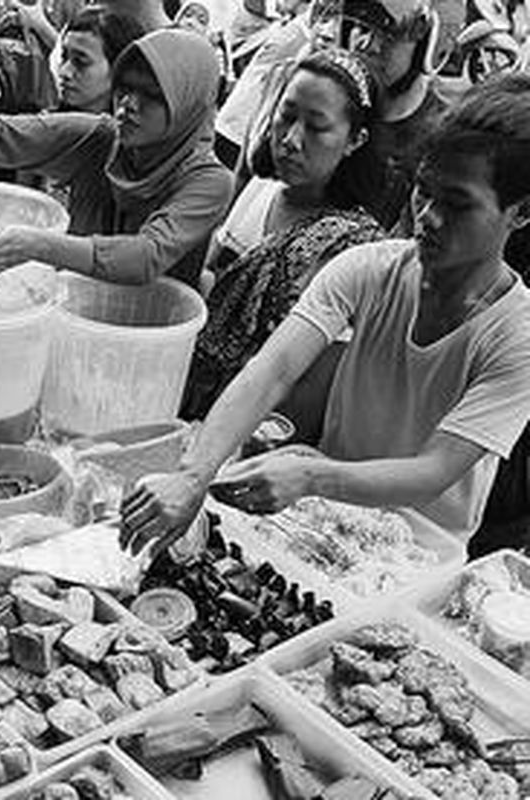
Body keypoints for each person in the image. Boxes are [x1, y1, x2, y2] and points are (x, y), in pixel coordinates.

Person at [120, 73, 530, 556]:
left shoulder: (516, 336)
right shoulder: (368, 269)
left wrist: (311, 474)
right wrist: (193, 475)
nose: (428, 217)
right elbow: (272, 371)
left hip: (418, 554)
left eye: (458, 204)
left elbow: (434, 470)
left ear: (520, 213)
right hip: (323, 521)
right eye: (424, 192)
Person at [0, 28, 234, 287]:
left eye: (152, 96)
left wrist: (33, 245)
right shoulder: (101, 138)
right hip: (74, 314)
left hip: (147, 336)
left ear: (188, 104)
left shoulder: (208, 181)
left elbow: (145, 256)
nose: (129, 105)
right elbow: (2, 133)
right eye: (125, 88)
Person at [183, 49, 386, 418]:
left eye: (316, 127)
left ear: (356, 140)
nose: (291, 139)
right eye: (286, 116)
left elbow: (314, 385)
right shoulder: (261, 187)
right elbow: (211, 276)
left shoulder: (353, 248)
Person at [235, 0, 453, 230]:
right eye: (361, 27)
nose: (368, 45)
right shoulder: (303, 89)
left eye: (388, 36)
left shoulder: (440, 133)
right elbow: (245, 179)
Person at [55, 4, 145, 112]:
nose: (64, 72)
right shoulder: (43, 124)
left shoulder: (134, 127)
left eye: (80, 62)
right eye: (63, 57)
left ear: (118, 69)